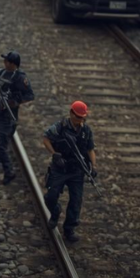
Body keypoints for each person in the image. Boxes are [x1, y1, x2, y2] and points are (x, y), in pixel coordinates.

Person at [42, 101, 97, 243]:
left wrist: (93, 166)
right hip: (60, 168)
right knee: (50, 197)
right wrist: (54, 154)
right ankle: (55, 212)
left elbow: (90, 149)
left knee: (76, 201)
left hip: (76, 170)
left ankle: (69, 229)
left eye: (83, 117)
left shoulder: (86, 131)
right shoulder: (60, 127)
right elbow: (46, 138)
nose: (80, 120)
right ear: (71, 113)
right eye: (78, 117)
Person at [0, 51, 35, 185]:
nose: (4, 63)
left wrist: (15, 102)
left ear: (12, 64)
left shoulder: (20, 78)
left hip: (7, 116)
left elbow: (30, 95)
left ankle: (8, 171)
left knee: (0, 143)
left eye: (7, 61)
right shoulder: (0, 73)